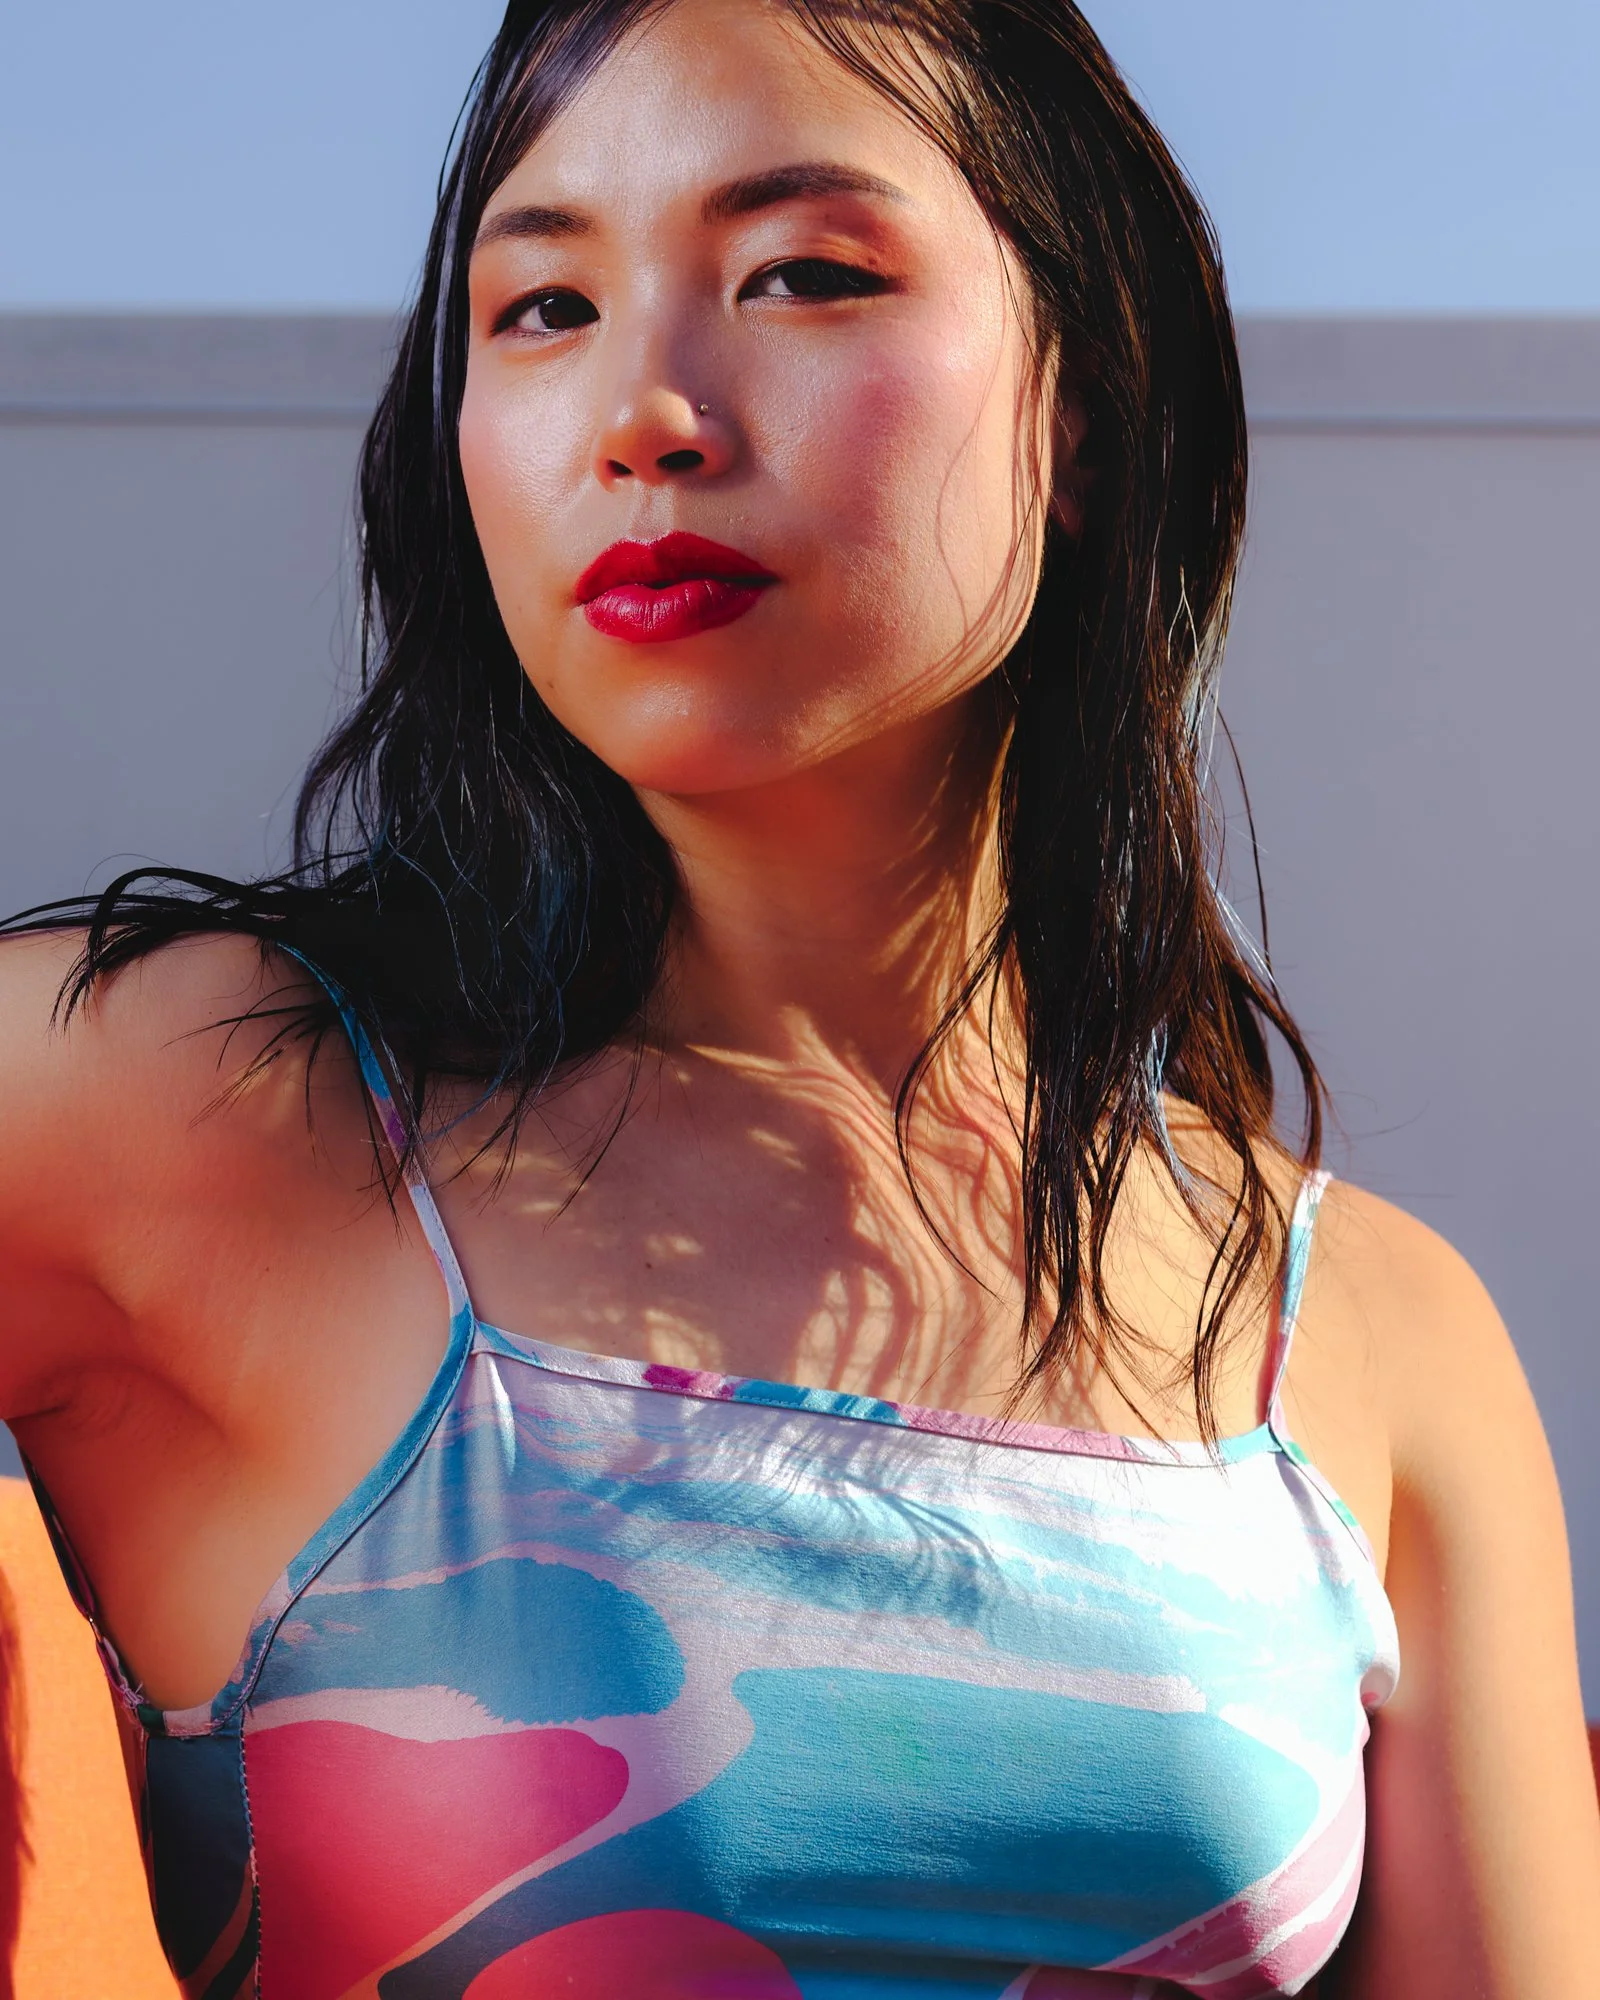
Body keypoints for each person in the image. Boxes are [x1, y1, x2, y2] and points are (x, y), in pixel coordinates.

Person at [0, 0, 1595, 1992]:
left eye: (801, 274)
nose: (645, 408)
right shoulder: (202, 1118)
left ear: (1081, 403)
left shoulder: (1362, 1332)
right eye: (540, 308)